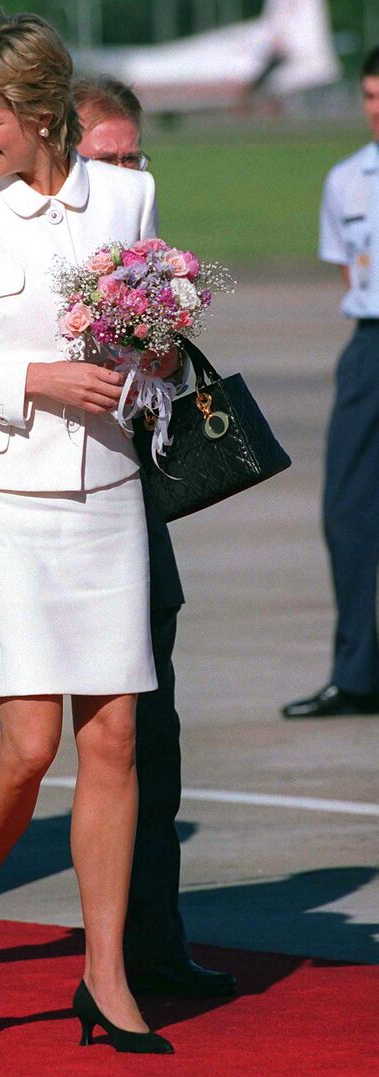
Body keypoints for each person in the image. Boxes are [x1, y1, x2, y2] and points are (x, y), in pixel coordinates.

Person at [0, 11, 228, 1052]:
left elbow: (153, 352)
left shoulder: (126, 194)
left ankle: (105, 975)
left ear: (39, 115)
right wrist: (33, 378)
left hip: (106, 490)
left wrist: (162, 358)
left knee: (116, 734)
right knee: (30, 740)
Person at [283, 47, 379, 720]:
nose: (377, 110)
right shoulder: (347, 180)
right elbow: (353, 273)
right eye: (371, 96)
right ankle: (357, 673)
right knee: (347, 511)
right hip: (369, 348)